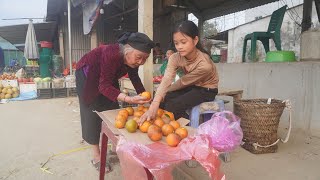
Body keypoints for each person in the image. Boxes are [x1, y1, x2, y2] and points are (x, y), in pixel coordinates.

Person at [75, 32, 154, 171]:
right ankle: (96, 155)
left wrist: (145, 97)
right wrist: (128, 98)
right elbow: (103, 85)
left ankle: (112, 145)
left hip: (105, 75)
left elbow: (134, 78)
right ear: (127, 50)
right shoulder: (111, 54)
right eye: (139, 57)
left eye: (145, 59)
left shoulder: (132, 60)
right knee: (92, 109)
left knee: (112, 107)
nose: (141, 62)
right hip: (88, 73)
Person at [139, 20, 219, 125]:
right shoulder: (175, 57)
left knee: (173, 105)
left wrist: (166, 91)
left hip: (206, 90)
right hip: (192, 86)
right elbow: (167, 79)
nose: (179, 47)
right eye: (176, 43)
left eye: (183, 42)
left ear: (195, 40)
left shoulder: (204, 65)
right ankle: (160, 125)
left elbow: (183, 82)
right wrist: (158, 99)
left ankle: (183, 128)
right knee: (163, 99)